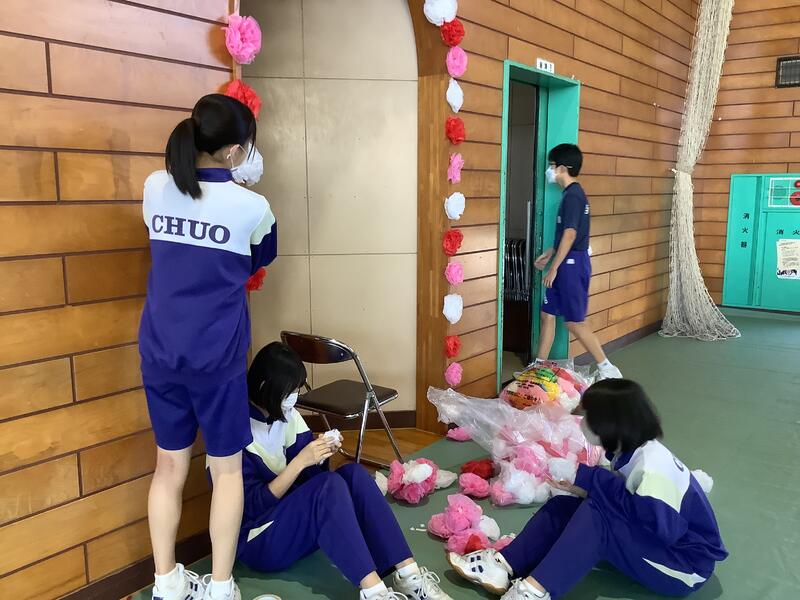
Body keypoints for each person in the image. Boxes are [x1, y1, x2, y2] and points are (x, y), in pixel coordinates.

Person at [140, 94, 278, 600]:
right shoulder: (253, 207)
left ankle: (166, 584)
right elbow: (260, 258)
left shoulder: (154, 187)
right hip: (217, 361)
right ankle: (221, 588)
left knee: (168, 467)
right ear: (235, 151)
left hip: (159, 353)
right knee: (226, 472)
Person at [449, 379, 728, 599]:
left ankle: (535, 590)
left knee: (597, 517)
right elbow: (630, 505)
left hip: (683, 566)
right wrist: (582, 488)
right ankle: (503, 564)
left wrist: (592, 480)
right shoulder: (632, 450)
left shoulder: (652, 469)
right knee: (563, 507)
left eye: (590, 416)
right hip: (663, 544)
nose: (583, 422)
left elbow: (659, 529)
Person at [232, 342, 454, 600]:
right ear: (265, 388)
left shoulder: (285, 413)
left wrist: (320, 454)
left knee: (353, 474)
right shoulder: (236, 432)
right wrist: (300, 462)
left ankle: (409, 576)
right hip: (258, 541)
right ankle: (374, 592)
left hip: (291, 523)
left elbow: (313, 481)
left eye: (296, 390)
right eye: (289, 391)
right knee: (328, 486)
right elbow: (253, 507)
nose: (294, 397)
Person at [533, 144, 622, 380]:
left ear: (562, 168)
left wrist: (554, 267)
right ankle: (538, 368)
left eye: (551, 166)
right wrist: (550, 253)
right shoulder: (569, 195)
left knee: (574, 322)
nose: (549, 170)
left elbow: (571, 235)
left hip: (572, 264)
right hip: (564, 260)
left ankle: (608, 369)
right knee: (547, 314)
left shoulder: (573, 196)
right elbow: (566, 233)